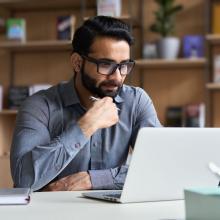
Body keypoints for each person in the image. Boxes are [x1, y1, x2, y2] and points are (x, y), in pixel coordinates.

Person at [10, 16, 161, 192]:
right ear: (77, 62)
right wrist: (86, 126)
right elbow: (23, 180)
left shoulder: (136, 101)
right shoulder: (39, 106)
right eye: (106, 65)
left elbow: (161, 166)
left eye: (124, 66)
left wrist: (94, 180)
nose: (118, 77)